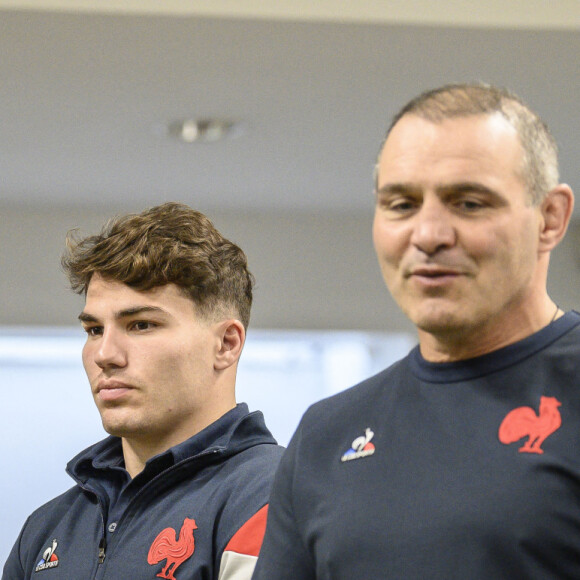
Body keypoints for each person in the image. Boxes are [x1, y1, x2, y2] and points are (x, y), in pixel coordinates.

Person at [252, 83, 580, 579]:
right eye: (401, 204)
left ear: (550, 219)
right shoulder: (325, 435)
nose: (427, 235)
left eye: (469, 203)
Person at [3, 202, 284, 580]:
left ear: (226, 345)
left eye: (141, 325)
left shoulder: (276, 495)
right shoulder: (45, 530)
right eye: (94, 330)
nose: (105, 355)